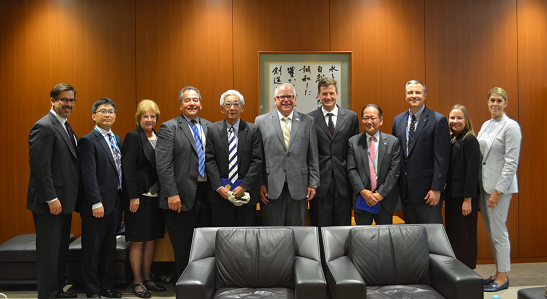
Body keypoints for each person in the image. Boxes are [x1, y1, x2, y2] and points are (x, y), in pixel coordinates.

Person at [27, 83, 79, 299]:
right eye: (63, 100)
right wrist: (51, 198)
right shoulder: (44, 126)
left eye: (71, 100)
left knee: (59, 250)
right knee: (48, 253)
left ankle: (57, 290)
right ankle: (47, 295)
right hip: (50, 203)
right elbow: (40, 167)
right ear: (52, 100)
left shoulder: (65, 126)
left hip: (64, 202)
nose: (68, 104)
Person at [156, 86, 211, 279]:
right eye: (187, 100)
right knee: (183, 249)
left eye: (195, 100)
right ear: (181, 105)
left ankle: (202, 285)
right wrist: (172, 193)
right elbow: (163, 164)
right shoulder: (169, 127)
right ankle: (185, 288)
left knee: (205, 248)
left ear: (201, 104)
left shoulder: (208, 126)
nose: (192, 103)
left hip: (207, 195)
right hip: (180, 197)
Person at [254, 83, 319, 226]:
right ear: (275, 99)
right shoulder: (261, 121)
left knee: (297, 232)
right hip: (270, 187)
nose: (286, 100)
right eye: (282, 96)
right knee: (273, 233)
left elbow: (313, 155)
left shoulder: (308, 121)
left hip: (300, 187)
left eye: (290, 96)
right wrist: (260, 184)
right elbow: (258, 158)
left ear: (295, 99)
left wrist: (313, 183)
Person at [77, 98, 123, 298]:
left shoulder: (117, 139)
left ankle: (106, 286)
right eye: (103, 111)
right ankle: (92, 289)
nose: (108, 114)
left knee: (108, 248)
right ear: (93, 116)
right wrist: (96, 202)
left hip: (115, 203)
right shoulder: (87, 140)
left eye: (111, 111)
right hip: (96, 205)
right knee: (92, 250)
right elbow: (88, 175)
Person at [478, 87, 522, 292]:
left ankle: (503, 277)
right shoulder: (487, 124)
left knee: (499, 232)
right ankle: (497, 273)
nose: (495, 104)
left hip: (498, 189)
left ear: (505, 103)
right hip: (484, 186)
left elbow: (511, 162)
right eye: (492, 100)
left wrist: (498, 191)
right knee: (492, 232)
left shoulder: (511, 126)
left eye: (499, 101)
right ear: (487, 102)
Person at [122, 100, 166, 298]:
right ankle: (137, 281)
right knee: (138, 241)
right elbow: (128, 170)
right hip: (138, 197)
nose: (149, 119)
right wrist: (132, 196)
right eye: (145, 116)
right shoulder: (133, 137)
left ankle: (148, 278)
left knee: (151, 239)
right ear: (139, 118)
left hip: (157, 198)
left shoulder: (160, 136)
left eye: (152, 116)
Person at [391, 80, 450, 224]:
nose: (414, 95)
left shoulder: (438, 120)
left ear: (425, 95)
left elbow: (442, 158)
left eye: (418, 92)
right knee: (413, 237)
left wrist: (437, 189)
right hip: (406, 191)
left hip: (428, 192)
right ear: (405, 96)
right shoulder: (398, 120)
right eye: (410, 92)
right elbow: (396, 155)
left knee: (432, 237)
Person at [205, 90, 263, 226]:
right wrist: (219, 187)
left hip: (245, 194)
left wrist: (243, 186)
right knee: (222, 237)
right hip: (220, 196)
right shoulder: (213, 129)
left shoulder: (252, 129)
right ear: (222, 108)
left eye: (236, 104)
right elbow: (209, 160)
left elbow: (257, 160)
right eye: (228, 104)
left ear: (242, 107)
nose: (232, 108)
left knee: (245, 238)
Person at [308, 78, 359, 227]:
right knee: (320, 226)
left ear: (337, 94)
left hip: (344, 181)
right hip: (319, 183)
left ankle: (343, 252)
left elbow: (354, 151)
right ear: (318, 95)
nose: (328, 97)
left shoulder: (351, 117)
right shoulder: (309, 119)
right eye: (324, 94)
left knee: (343, 226)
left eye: (331, 93)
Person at [347, 104, 401, 225]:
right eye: (365, 118)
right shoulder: (353, 142)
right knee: (362, 238)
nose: (369, 121)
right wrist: (363, 191)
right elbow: (351, 170)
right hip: (362, 199)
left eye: (373, 118)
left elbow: (394, 171)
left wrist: (380, 194)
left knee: (385, 239)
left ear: (381, 120)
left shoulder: (393, 142)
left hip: (384, 200)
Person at [444, 104, 480, 269]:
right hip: (452, 197)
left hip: (464, 199)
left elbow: (472, 173)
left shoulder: (470, 140)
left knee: (465, 237)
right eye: (452, 118)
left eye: (459, 118)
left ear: (466, 120)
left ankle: (468, 272)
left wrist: (468, 200)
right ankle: (457, 272)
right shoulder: (452, 139)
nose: (455, 121)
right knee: (454, 236)